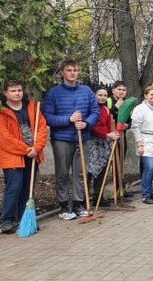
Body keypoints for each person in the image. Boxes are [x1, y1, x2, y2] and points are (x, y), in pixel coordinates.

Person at [42, 59, 99, 220]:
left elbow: (95, 111)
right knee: (62, 172)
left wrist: (86, 123)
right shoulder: (54, 93)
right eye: (69, 70)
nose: (73, 73)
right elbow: (48, 117)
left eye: (75, 70)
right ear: (62, 72)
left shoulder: (86, 91)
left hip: (83, 137)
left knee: (80, 172)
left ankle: (78, 202)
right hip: (62, 139)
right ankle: (63, 205)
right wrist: (69, 119)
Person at [0, 80, 47, 233]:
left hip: (33, 155)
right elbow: (4, 138)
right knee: (14, 188)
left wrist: (36, 148)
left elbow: (42, 128)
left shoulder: (32, 107)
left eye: (19, 90)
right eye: (13, 91)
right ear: (5, 93)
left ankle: (25, 219)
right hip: (13, 157)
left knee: (27, 190)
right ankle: (6, 220)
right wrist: (26, 149)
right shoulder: (0, 113)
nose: (17, 93)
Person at [88, 86, 120, 207]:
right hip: (92, 142)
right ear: (94, 95)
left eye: (104, 96)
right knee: (90, 170)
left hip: (104, 142)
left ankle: (98, 196)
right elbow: (91, 126)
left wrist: (112, 134)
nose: (102, 98)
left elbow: (108, 125)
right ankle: (84, 198)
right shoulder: (90, 109)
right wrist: (106, 134)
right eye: (100, 95)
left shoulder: (106, 109)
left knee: (102, 170)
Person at [105, 80, 133, 199]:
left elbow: (130, 119)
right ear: (113, 90)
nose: (121, 92)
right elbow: (105, 117)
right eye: (119, 89)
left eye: (124, 90)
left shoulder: (127, 103)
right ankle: (110, 191)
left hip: (122, 135)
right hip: (110, 137)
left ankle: (121, 190)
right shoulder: (109, 101)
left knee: (120, 162)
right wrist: (115, 107)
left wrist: (128, 125)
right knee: (112, 163)